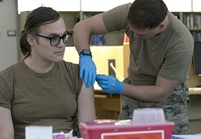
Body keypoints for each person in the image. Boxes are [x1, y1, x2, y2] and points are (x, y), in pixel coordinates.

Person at [73, 0, 193, 135]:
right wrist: (85, 55)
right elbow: (82, 27)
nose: (135, 36)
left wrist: (120, 88)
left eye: (141, 34)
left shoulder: (181, 42)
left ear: (161, 26)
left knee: (170, 136)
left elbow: (161, 92)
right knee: (125, 136)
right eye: (132, 31)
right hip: (134, 88)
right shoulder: (129, 12)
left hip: (167, 99)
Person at [0, 7, 96, 139]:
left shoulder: (78, 75)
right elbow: (4, 136)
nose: (61, 44)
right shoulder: (4, 81)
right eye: (53, 38)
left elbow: (89, 132)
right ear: (31, 40)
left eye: (64, 37)